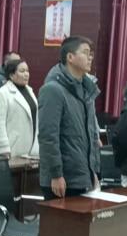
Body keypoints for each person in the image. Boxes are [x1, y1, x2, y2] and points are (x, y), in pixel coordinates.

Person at [38, 35, 100, 199]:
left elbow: (91, 135)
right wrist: (56, 174)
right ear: (70, 57)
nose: (90, 57)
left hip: (82, 176)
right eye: (85, 52)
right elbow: (48, 136)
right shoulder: (53, 90)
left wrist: (93, 171)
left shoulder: (86, 90)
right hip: (62, 179)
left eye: (91, 54)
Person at [0, 59, 38, 159]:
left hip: (31, 148)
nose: (26, 74)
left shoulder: (30, 91)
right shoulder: (2, 93)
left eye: (27, 71)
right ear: (11, 75)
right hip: (11, 149)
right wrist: (3, 148)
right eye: (22, 71)